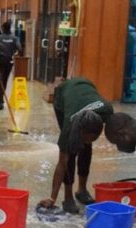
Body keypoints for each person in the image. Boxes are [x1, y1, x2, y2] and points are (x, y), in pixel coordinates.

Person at [38, 77, 114, 213]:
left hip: (86, 85)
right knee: (71, 151)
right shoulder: (69, 126)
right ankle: (68, 197)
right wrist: (52, 198)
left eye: (93, 138)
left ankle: (82, 190)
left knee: (86, 148)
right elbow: (62, 163)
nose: (87, 141)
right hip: (63, 96)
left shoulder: (107, 111)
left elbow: (120, 129)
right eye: (85, 138)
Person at [0, 21, 22, 110]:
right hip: (9, 61)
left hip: (0, 61)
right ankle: (0, 99)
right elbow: (19, 48)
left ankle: (0, 100)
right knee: (5, 80)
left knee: (0, 80)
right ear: (10, 28)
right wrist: (14, 54)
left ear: (2, 28)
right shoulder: (14, 38)